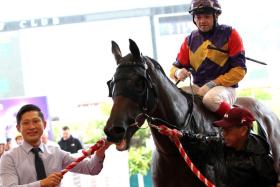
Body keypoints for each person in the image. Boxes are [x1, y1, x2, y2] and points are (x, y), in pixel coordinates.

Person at [0, 104, 112, 187]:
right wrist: (42, 183)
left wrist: (100, 153)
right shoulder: (9, 158)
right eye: (26, 123)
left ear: (44, 124)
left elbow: (91, 169)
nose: (32, 127)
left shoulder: (56, 152)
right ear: (18, 128)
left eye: (35, 121)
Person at [170, 0, 247, 117]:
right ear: (194, 19)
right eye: (198, 17)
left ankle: (239, 121)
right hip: (198, 88)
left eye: (206, 17)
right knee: (173, 97)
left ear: (215, 16)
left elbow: (240, 71)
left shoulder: (230, 34)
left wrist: (213, 83)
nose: (202, 21)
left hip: (225, 88)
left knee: (210, 99)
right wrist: (178, 72)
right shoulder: (189, 40)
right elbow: (174, 69)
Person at [170, 107, 278, 187]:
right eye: (222, 130)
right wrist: (182, 135)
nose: (223, 134)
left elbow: (270, 184)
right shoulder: (219, 144)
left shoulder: (260, 158)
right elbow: (201, 141)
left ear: (243, 130)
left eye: (227, 130)